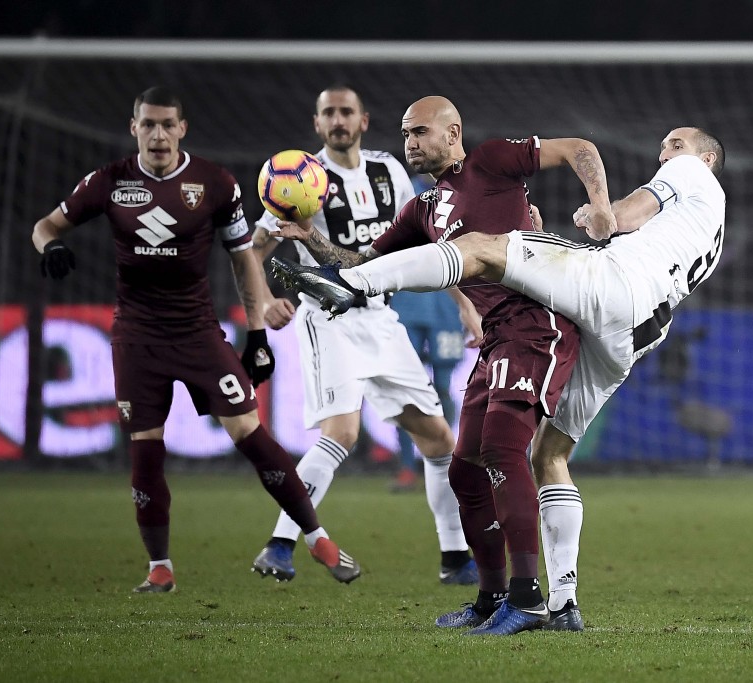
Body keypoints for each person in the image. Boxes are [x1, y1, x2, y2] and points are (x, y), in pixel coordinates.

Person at [276, 125, 726, 629]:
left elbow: (624, 208)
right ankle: (564, 603)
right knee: (546, 455)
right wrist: (311, 237)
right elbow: (374, 254)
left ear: (706, 159)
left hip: (603, 290)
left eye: (677, 145)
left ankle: (350, 289)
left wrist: (603, 213)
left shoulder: (688, 174)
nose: (664, 152)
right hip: (634, 333)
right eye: (663, 145)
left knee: (482, 249)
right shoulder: (708, 225)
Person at [30, 86, 361, 593]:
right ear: (133, 127)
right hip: (137, 339)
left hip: (198, 333)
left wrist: (255, 333)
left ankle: (316, 538)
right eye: (148, 125)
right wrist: (50, 246)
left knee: (252, 435)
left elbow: (243, 257)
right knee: (146, 450)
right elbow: (44, 225)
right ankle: (159, 568)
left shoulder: (214, 183)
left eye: (167, 125)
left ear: (182, 128)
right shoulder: (109, 181)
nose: (158, 134)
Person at [249, 85, 478, 586]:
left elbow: (429, 238)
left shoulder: (387, 170)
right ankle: (281, 544)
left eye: (345, 111)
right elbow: (253, 249)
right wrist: (263, 303)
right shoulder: (296, 176)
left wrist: (464, 304)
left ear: (363, 120)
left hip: (379, 317)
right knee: (343, 433)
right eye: (328, 112)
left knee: (440, 440)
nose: (337, 119)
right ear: (317, 123)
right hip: (327, 318)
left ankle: (455, 558)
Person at [388, 289, 466, 493]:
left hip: (446, 306)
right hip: (405, 303)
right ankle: (407, 466)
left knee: (442, 388)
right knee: (405, 390)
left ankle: (447, 461)